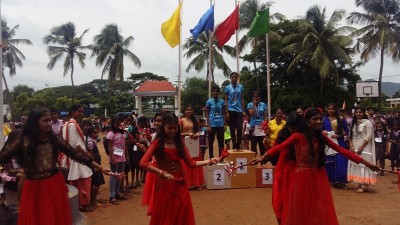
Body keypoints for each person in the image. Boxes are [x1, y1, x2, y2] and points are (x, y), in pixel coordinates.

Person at [252, 107, 380, 225]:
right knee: (299, 207)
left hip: (318, 177)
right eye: (315, 119)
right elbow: (281, 146)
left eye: (320, 118)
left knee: (317, 207)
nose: (319, 121)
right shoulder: (298, 136)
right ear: (307, 122)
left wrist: (367, 164)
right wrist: (263, 157)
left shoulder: (321, 137)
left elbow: (342, 150)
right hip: (300, 179)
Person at [0, 107, 108, 225]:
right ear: (34, 122)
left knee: (54, 218)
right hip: (33, 186)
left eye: (49, 120)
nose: (49, 123)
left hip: (53, 183)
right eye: (45, 120)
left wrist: (98, 166)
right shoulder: (23, 140)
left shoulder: (53, 139)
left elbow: (74, 153)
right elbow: (3, 156)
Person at [139, 112, 219, 225]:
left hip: (180, 184)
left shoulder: (180, 143)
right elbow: (143, 163)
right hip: (164, 185)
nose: (172, 131)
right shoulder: (157, 144)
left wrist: (210, 161)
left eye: (175, 128)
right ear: (163, 127)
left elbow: (191, 163)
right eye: (169, 128)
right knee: (166, 215)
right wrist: (161, 173)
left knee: (181, 213)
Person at [62, 104, 94, 212]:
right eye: (79, 112)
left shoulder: (70, 124)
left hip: (77, 157)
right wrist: (85, 155)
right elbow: (74, 143)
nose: (81, 114)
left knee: (79, 181)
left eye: (81, 111)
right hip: (78, 157)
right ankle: (82, 204)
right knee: (83, 182)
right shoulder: (71, 125)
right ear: (72, 112)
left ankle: (81, 203)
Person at [348, 107, 377, 193]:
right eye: (356, 112)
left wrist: (361, 146)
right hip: (355, 146)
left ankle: (365, 185)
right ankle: (360, 183)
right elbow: (350, 136)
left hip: (365, 147)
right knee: (357, 163)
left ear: (364, 113)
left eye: (360, 112)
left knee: (365, 164)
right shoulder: (353, 123)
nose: (358, 113)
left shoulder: (368, 122)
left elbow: (369, 136)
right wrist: (351, 146)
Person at [322, 103, 350, 189]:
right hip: (328, 142)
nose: (330, 111)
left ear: (335, 110)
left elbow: (347, 131)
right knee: (329, 162)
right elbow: (320, 129)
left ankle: (341, 182)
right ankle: (331, 181)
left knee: (341, 161)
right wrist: (323, 132)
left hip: (339, 142)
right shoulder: (323, 119)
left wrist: (339, 135)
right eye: (329, 109)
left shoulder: (341, 119)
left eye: (332, 109)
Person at [180, 105, 204, 190]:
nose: (189, 111)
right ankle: (188, 183)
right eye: (187, 110)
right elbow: (178, 133)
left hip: (194, 143)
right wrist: (187, 134)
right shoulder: (181, 121)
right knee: (186, 162)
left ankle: (197, 183)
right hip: (185, 143)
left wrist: (197, 134)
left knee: (196, 161)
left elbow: (198, 131)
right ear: (185, 111)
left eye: (190, 109)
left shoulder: (195, 120)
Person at [106, 117, 128, 205]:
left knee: (120, 176)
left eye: (120, 124)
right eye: (116, 124)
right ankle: (112, 196)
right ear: (113, 124)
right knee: (113, 176)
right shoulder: (111, 134)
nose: (118, 126)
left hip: (122, 157)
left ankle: (117, 193)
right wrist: (112, 158)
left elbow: (124, 145)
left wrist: (127, 156)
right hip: (115, 157)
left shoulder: (123, 133)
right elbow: (109, 146)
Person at [85, 126, 105, 209]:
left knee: (95, 183)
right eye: (94, 133)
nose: (96, 134)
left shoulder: (92, 140)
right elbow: (90, 155)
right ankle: (93, 201)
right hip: (94, 165)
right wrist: (95, 165)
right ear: (90, 133)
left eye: (97, 132)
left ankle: (93, 200)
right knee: (96, 184)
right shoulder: (90, 142)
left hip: (94, 164)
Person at [224, 72, 246, 151]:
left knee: (240, 128)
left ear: (237, 78)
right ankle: (234, 145)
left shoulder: (240, 87)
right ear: (230, 78)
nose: (234, 78)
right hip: (231, 110)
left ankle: (238, 145)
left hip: (239, 110)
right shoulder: (227, 87)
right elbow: (226, 100)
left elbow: (242, 99)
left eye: (235, 77)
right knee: (232, 129)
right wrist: (226, 112)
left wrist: (243, 111)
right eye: (232, 77)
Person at [206, 85, 226, 158]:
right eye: (214, 91)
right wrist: (208, 125)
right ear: (212, 92)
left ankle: (221, 157)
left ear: (219, 92)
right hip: (212, 125)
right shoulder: (209, 102)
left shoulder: (222, 102)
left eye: (217, 91)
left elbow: (223, 113)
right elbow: (207, 114)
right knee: (211, 142)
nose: (215, 93)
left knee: (221, 143)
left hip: (220, 124)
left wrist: (224, 124)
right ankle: (211, 157)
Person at [247, 91, 268, 156]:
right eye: (254, 97)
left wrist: (265, 124)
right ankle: (253, 160)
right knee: (253, 145)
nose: (256, 98)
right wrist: (254, 104)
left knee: (262, 144)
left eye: (257, 96)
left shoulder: (263, 104)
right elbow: (252, 114)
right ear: (252, 97)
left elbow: (265, 116)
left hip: (261, 126)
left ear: (259, 97)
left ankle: (262, 160)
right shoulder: (250, 104)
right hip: (253, 126)